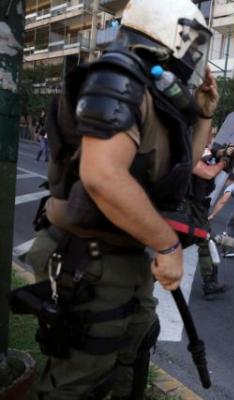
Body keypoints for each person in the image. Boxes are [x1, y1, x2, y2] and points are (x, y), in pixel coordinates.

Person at [23, 1, 218, 398]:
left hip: (123, 258)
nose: (195, 56)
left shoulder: (150, 93)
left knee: (130, 355)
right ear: (172, 34)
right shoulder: (117, 78)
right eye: (193, 43)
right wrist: (167, 244)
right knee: (78, 381)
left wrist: (204, 116)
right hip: (86, 258)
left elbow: (179, 172)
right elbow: (102, 175)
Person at [190, 142, 234, 298]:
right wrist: (223, 162)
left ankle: (210, 282)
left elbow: (211, 152)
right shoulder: (187, 145)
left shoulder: (199, 145)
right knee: (168, 245)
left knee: (205, 241)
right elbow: (207, 172)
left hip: (196, 205)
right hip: (188, 205)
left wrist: (225, 152)